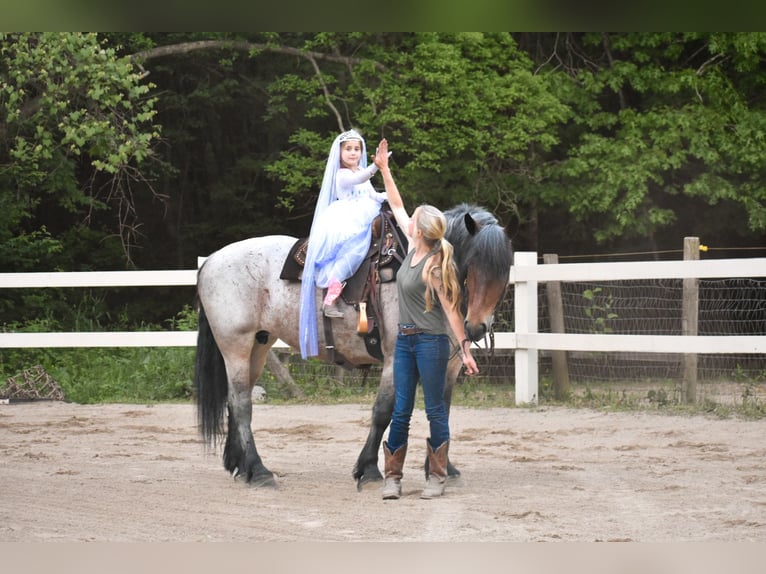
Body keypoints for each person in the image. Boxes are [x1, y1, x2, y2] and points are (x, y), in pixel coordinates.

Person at [373, 137, 479, 500]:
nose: (409, 219)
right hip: (405, 341)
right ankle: (394, 477)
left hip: (432, 345)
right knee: (401, 410)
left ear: (420, 230)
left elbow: (452, 311)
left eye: (414, 219)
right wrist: (385, 169)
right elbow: (397, 203)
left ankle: (436, 477)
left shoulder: (435, 265)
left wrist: (464, 350)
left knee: (435, 411)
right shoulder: (414, 245)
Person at [298, 129, 388, 359]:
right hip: (349, 220)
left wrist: (385, 196)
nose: (353, 153)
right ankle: (330, 298)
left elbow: (371, 194)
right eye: (348, 149)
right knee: (353, 253)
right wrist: (377, 166)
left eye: (356, 149)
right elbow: (360, 180)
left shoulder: (361, 171)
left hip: (365, 215)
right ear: (339, 153)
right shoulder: (342, 175)